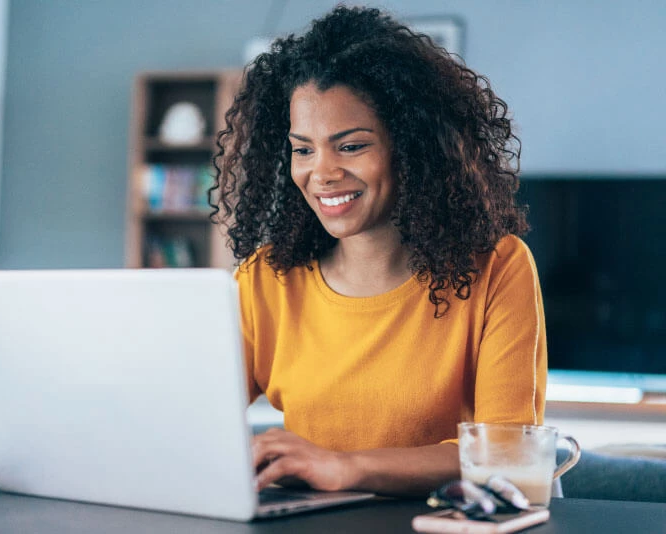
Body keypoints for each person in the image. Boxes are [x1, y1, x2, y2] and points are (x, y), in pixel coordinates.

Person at [210, 5, 546, 497]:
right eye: (303, 149)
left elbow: (508, 453)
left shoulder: (496, 266)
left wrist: (346, 467)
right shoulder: (266, 279)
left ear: (410, 148)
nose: (322, 173)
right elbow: (193, 420)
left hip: (440, 522)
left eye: (350, 146)